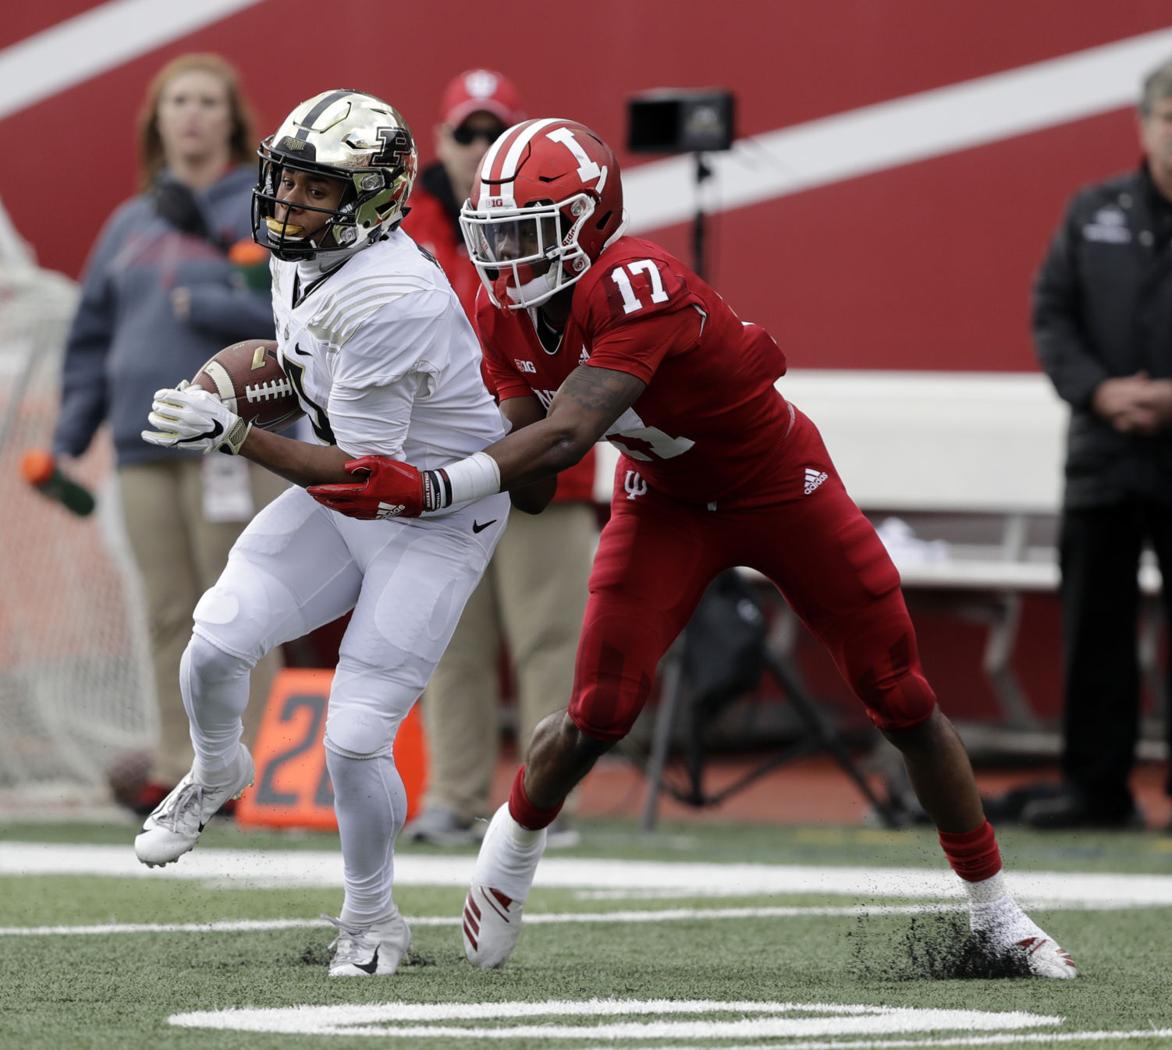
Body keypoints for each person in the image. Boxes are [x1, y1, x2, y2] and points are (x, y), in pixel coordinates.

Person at [308, 118, 1079, 979]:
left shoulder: (638, 281)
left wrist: (432, 485)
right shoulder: (497, 311)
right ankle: (512, 845)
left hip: (778, 482)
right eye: (498, 239)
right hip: (667, 497)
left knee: (898, 694)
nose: (510, 262)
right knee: (599, 709)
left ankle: (996, 911)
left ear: (591, 223)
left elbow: (567, 437)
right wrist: (440, 436)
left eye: (532, 234)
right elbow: (526, 474)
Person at [133, 89, 510, 978]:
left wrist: (231, 432)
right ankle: (218, 770)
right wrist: (234, 391)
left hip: (429, 515)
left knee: (353, 737)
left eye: (316, 190)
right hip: (356, 482)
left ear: (375, 199)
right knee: (214, 638)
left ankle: (373, 923)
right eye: (286, 183)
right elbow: (307, 376)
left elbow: (361, 478)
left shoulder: (393, 294)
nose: (289, 205)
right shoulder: (309, 256)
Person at [52, 53, 284, 815]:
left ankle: (255, 767)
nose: (190, 114)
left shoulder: (264, 209)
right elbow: (90, 338)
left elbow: (294, 323)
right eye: (177, 101)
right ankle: (176, 763)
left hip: (234, 442)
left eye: (207, 101)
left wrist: (212, 303)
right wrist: (70, 435)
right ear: (157, 118)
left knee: (243, 605)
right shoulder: (130, 222)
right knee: (164, 612)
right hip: (140, 448)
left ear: (231, 120)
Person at [401, 70, 596, 845]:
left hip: (543, 457)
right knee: (449, 637)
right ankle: (452, 791)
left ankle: (550, 801)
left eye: (493, 134)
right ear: (441, 142)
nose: (478, 148)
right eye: (465, 133)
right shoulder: (400, 225)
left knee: (550, 637)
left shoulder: (559, 219)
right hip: (446, 461)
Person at [1027, 52, 1172, 834]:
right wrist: (1101, 391)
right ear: (1145, 125)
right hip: (1101, 454)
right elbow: (1051, 316)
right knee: (1094, 625)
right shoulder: (1091, 210)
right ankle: (1095, 788)